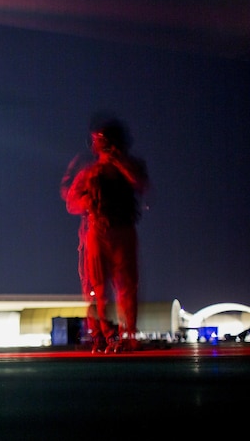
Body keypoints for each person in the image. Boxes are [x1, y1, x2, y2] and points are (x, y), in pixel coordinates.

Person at [61, 116, 149, 353]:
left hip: (122, 230)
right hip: (98, 231)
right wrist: (88, 200)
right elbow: (71, 202)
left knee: (126, 286)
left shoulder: (130, 167)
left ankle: (128, 334)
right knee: (99, 288)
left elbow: (141, 184)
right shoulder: (90, 172)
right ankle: (107, 335)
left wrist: (117, 162)